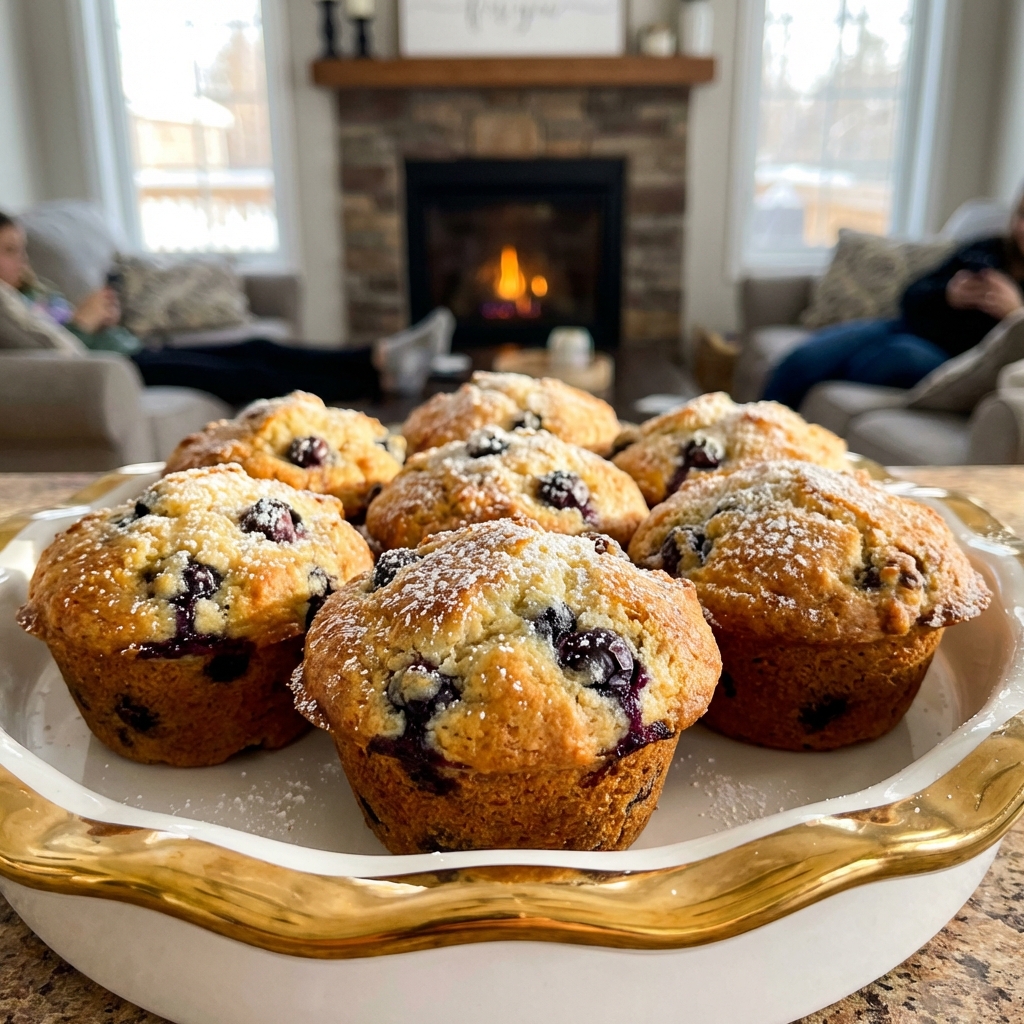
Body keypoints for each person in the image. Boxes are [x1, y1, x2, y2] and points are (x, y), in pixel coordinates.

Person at [0, 210, 383, 405]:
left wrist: (101, 320)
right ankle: (370, 384)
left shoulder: (30, 293)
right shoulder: (8, 308)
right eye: (9, 251)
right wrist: (83, 324)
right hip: (127, 368)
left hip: (137, 349)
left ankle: (372, 357)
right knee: (248, 374)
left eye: (21, 249)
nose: (22, 260)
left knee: (257, 348)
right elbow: (62, 359)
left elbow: (71, 333)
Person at [761, 191, 1024, 410]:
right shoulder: (986, 249)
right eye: (1022, 216)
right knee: (805, 358)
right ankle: (753, 434)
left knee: (890, 358)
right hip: (902, 325)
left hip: (950, 359)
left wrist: (1015, 313)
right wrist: (947, 293)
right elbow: (911, 295)